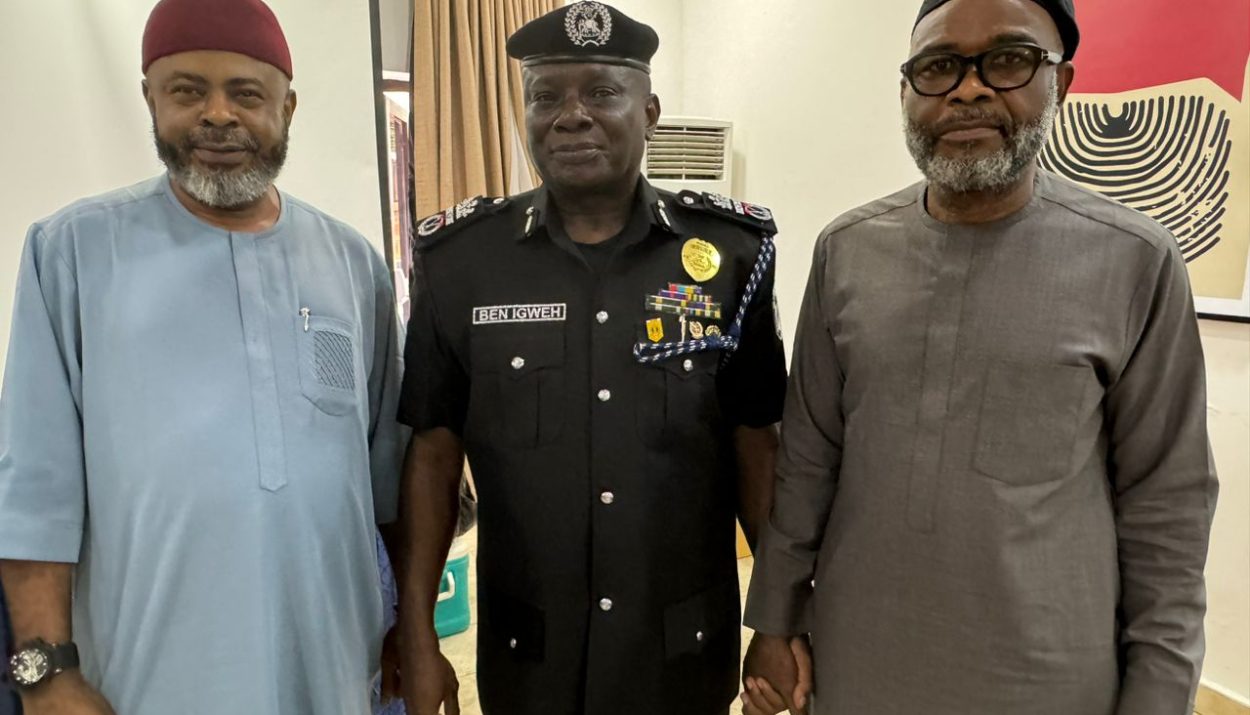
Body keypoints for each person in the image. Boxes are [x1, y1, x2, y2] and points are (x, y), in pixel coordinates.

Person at [741, 1, 1219, 714]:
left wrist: (1158, 692)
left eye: (1008, 59)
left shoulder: (1134, 262)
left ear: (1063, 83)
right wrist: (776, 619)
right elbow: (809, 460)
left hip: (1050, 673)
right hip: (860, 658)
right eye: (938, 67)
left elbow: (1167, 506)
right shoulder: (847, 252)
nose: (969, 89)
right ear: (906, 92)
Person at [0, 1, 406, 713]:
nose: (218, 116)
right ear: (150, 99)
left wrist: (406, 636)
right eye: (187, 91)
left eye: (246, 94)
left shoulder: (352, 262)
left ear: (288, 105)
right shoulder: (71, 254)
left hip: (334, 667)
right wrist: (47, 672)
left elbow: (387, 487)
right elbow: (35, 492)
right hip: (148, 675)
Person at [394, 3, 788, 714]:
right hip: (529, 651)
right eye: (546, 95)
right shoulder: (461, 262)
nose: (570, 115)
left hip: (679, 649)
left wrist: (779, 620)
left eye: (602, 92)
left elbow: (757, 442)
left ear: (650, 110)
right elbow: (432, 450)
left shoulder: (729, 257)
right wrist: (419, 633)